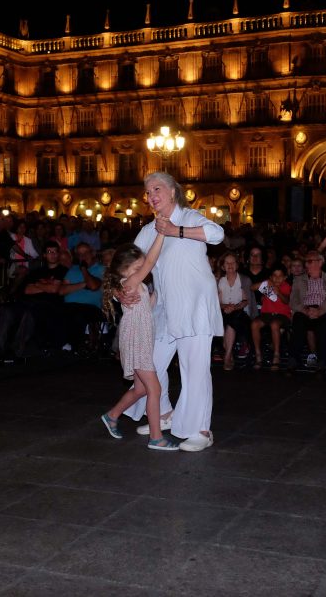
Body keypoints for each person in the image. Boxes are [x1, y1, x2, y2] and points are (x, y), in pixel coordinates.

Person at [120, 171, 224, 453]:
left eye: (157, 189)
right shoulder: (148, 230)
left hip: (194, 307)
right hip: (165, 308)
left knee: (195, 369)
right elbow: (131, 261)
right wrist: (121, 287)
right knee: (151, 363)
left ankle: (201, 429)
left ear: (172, 192)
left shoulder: (190, 217)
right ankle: (164, 413)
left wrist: (176, 231)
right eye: (148, 192)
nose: (152, 196)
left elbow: (217, 234)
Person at [99, 236, 179, 451]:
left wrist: (158, 294)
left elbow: (147, 306)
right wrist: (161, 234)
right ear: (126, 269)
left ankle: (112, 415)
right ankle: (156, 437)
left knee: (142, 389)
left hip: (139, 339)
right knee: (155, 388)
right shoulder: (130, 283)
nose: (144, 268)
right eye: (139, 266)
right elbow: (152, 260)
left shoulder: (136, 285)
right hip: (138, 340)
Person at [288, 250, 326, 372]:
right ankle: (293, 358)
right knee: (298, 319)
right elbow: (293, 300)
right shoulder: (298, 279)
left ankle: (322, 360)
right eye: (306, 262)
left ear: (320, 262)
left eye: (310, 261)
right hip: (305, 309)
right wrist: (304, 309)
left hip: (325, 309)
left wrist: (321, 310)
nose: (306, 264)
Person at [250, 266, 291, 371]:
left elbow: (286, 301)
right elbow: (252, 287)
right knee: (254, 324)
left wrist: (279, 292)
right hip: (267, 314)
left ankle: (276, 355)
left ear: (285, 277)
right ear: (271, 277)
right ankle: (258, 355)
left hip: (282, 315)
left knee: (274, 324)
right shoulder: (267, 285)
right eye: (274, 276)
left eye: (280, 276)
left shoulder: (286, 286)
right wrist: (264, 283)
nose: (277, 279)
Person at [217, 252, 253, 371]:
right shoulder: (220, 281)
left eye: (233, 262)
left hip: (241, 313)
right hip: (224, 311)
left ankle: (227, 357)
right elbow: (218, 302)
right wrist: (226, 307)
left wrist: (234, 308)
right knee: (224, 319)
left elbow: (246, 301)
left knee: (232, 319)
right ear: (223, 266)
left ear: (237, 265)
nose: (230, 265)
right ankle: (229, 353)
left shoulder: (244, 280)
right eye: (227, 263)